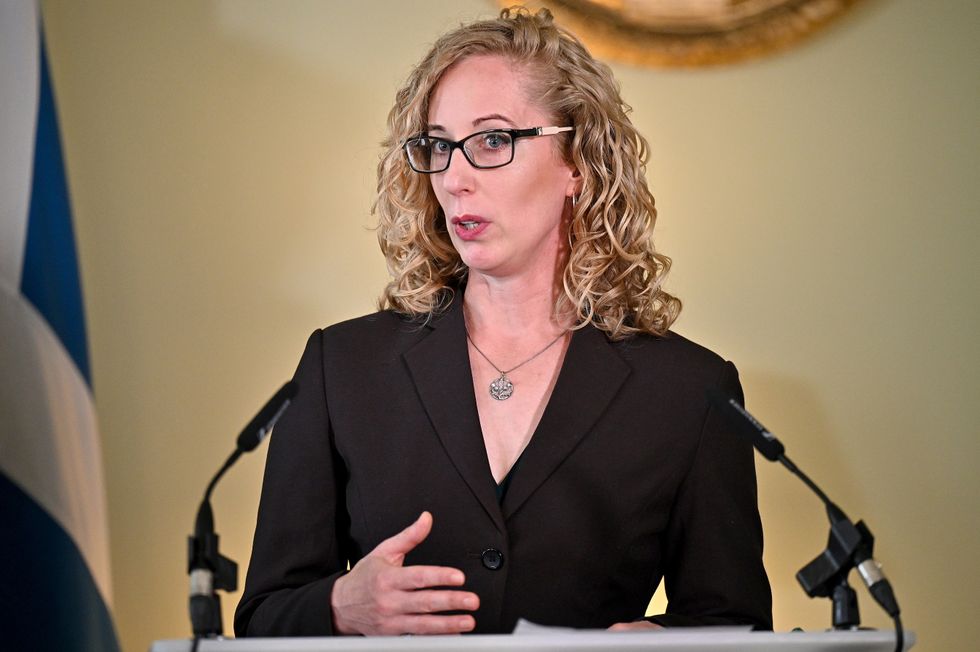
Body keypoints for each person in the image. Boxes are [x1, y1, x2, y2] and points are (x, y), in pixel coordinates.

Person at [234, 7, 771, 637]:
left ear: (579, 161)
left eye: (493, 140)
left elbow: (733, 624)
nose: (456, 178)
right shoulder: (341, 366)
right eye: (438, 146)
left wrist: (663, 643)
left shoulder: (690, 390)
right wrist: (338, 607)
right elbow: (263, 616)